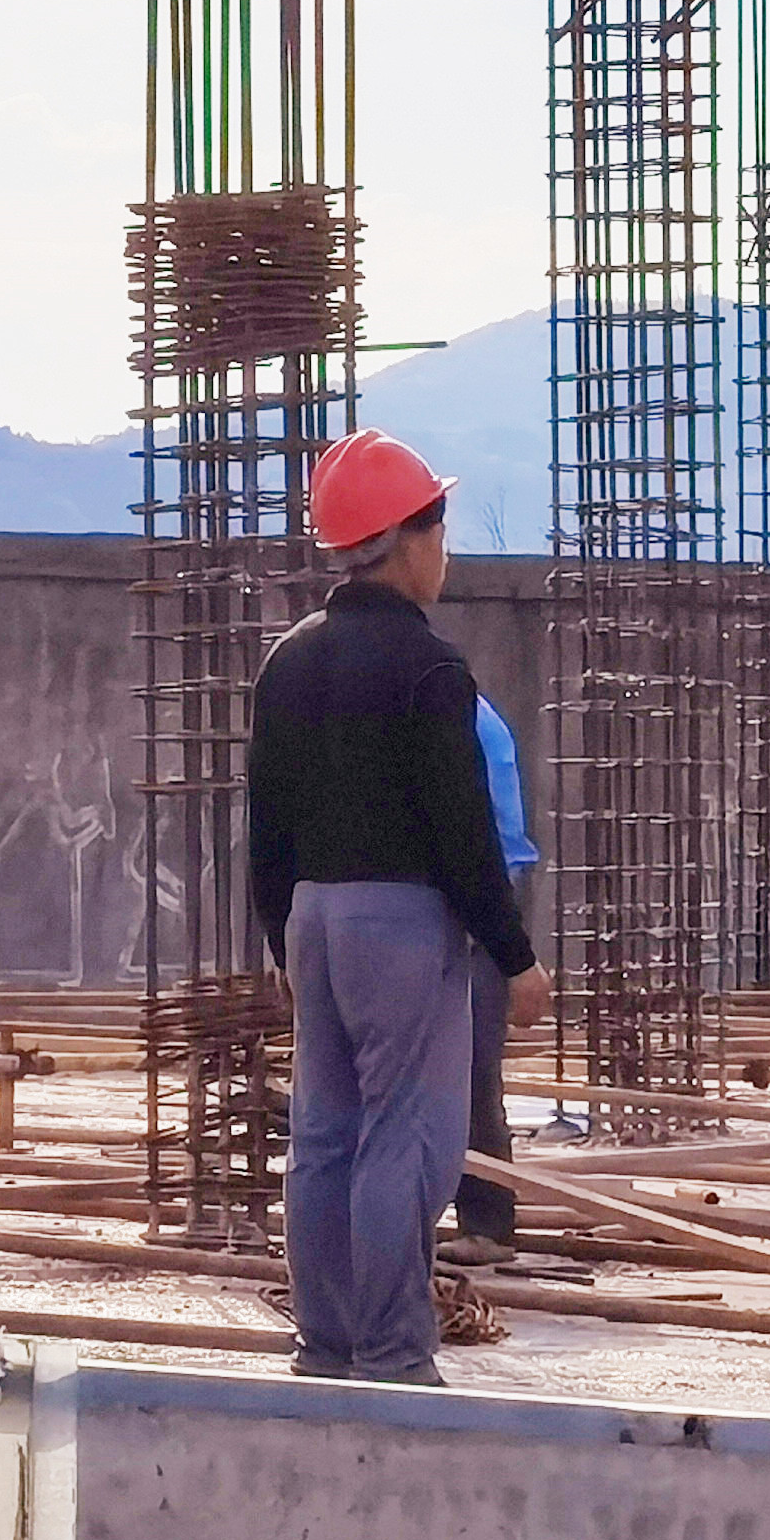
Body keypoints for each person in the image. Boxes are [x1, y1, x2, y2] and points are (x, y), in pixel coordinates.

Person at [251, 428, 553, 1385]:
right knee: (405, 1138)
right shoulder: (430, 668)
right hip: (404, 927)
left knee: (323, 1135)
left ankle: (325, 1343)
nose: (445, 551)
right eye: (441, 528)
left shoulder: (288, 662)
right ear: (409, 539)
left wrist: (282, 946)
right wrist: (514, 956)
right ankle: (390, 1350)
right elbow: (464, 832)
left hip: (314, 923)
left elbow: (267, 826)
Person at [437, 689, 537, 1268]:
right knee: (467, 1066)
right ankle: (480, 1217)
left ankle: (488, 1221)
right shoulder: (461, 706)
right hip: (481, 886)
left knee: (469, 1066)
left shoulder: (446, 710)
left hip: (477, 893)